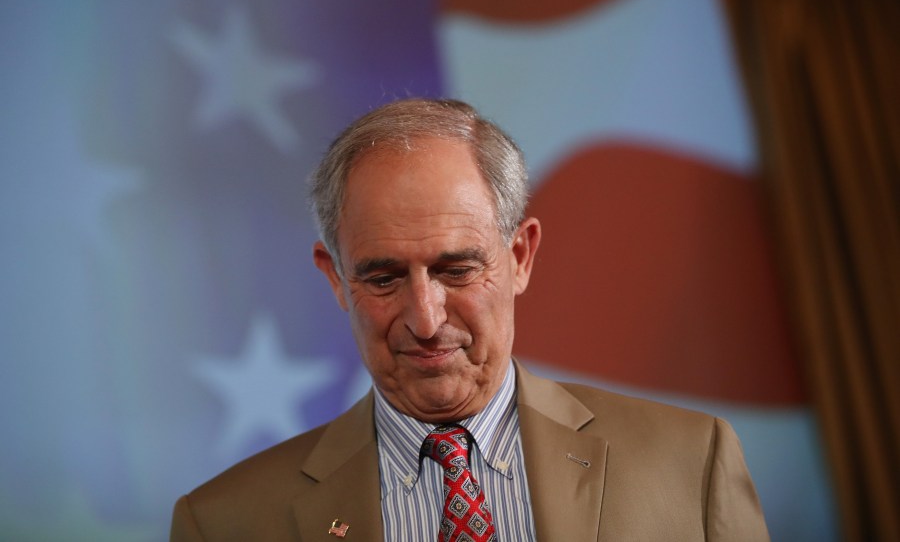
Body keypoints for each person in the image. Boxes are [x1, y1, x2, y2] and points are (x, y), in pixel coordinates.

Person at [170, 98, 770, 541]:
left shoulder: (690, 463)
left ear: (519, 257)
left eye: (456, 270)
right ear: (335, 277)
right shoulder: (224, 525)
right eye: (383, 278)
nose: (426, 320)